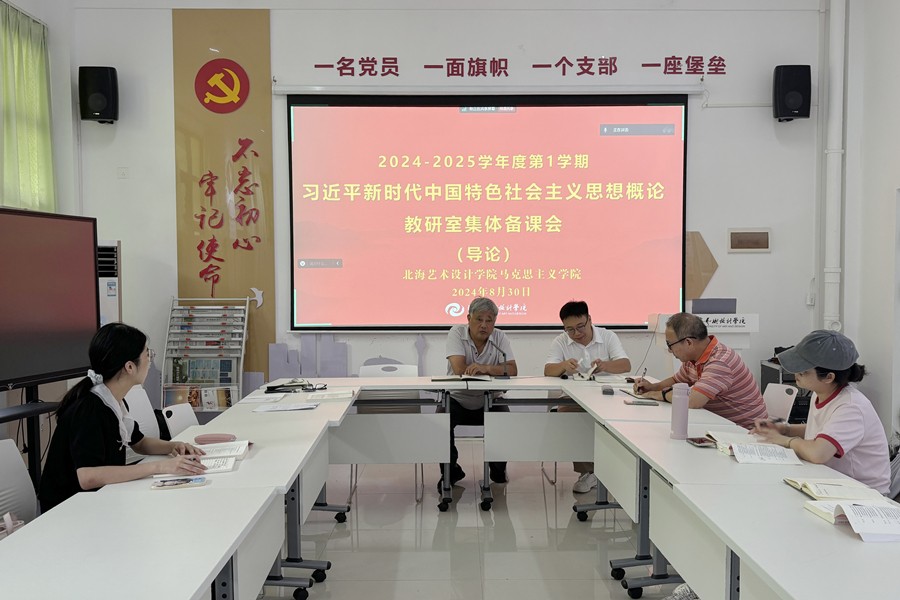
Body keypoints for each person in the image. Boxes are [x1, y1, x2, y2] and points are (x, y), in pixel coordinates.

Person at [39, 323, 207, 512]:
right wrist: (160, 467)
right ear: (129, 367)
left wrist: (173, 446)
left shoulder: (113, 400)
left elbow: (139, 443)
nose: (150, 360)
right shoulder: (89, 409)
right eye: (148, 354)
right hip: (68, 510)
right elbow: (88, 477)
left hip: (100, 499)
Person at [752, 330, 890, 493]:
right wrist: (785, 429)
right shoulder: (822, 392)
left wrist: (784, 440)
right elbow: (823, 430)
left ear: (829, 377)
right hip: (833, 482)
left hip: (863, 494)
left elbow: (818, 453)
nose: (796, 375)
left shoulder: (851, 407)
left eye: (803, 371)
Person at [544, 300, 631, 493]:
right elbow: (548, 370)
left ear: (589, 319)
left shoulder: (607, 336)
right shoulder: (560, 341)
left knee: (621, 417)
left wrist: (605, 366)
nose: (576, 333)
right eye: (570, 329)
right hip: (573, 399)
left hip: (606, 397)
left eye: (580, 327)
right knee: (570, 417)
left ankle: (615, 468)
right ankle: (589, 472)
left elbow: (625, 365)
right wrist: (563, 365)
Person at [634, 312, 767, 429]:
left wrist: (659, 395)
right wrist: (652, 387)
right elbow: (676, 380)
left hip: (747, 433)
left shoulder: (720, 362)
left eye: (670, 345)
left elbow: (692, 401)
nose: (669, 350)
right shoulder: (693, 358)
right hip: (720, 426)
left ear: (688, 342)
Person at [441, 297, 517, 489]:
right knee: (440, 423)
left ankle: (497, 470)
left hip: (490, 398)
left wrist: (486, 368)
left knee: (504, 422)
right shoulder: (456, 333)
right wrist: (495, 370)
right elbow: (459, 369)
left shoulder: (499, 337)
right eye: (479, 319)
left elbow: (512, 369)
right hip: (457, 398)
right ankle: (451, 472)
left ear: (495, 322)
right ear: (469, 318)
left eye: (489, 320)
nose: (484, 325)